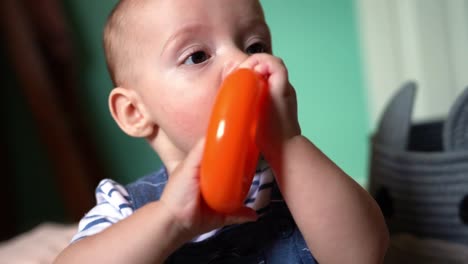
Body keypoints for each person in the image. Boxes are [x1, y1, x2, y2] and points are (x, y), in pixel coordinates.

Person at [54, 0, 389, 263]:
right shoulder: (126, 208)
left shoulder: (295, 183)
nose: (243, 63)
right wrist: (170, 221)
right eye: (197, 56)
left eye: (256, 47)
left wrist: (288, 142)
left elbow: (363, 254)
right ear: (135, 112)